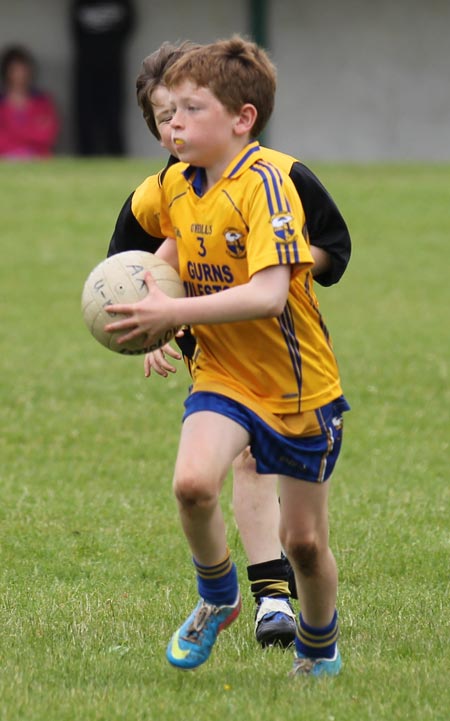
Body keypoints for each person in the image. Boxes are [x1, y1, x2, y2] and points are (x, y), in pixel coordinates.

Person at [104, 36, 350, 678]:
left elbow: (270, 296)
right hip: (222, 374)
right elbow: (160, 248)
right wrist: (146, 311)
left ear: (243, 118)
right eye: (163, 115)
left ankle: (319, 647)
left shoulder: (269, 184)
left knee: (304, 542)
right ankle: (218, 597)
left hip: (299, 387)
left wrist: (170, 313)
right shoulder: (170, 187)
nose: (173, 124)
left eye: (189, 109)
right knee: (191, 485)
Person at [70, 0, 135, 155]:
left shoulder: (122, 4)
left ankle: (116, 158)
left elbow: (129, 26)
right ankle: (85, 158)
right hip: (86, 70)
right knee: (85, 118)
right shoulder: (80, 4)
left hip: (113, 70)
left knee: (113, 117)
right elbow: (76, 31)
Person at [0, 45, 59, 159]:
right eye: (15, 70)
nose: (20, 75)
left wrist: (12, 132)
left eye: (23, 69)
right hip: (6, 160)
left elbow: (48, 136)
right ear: (6, 72)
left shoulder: (43, 102)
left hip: (39, 159)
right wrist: (30, 131)